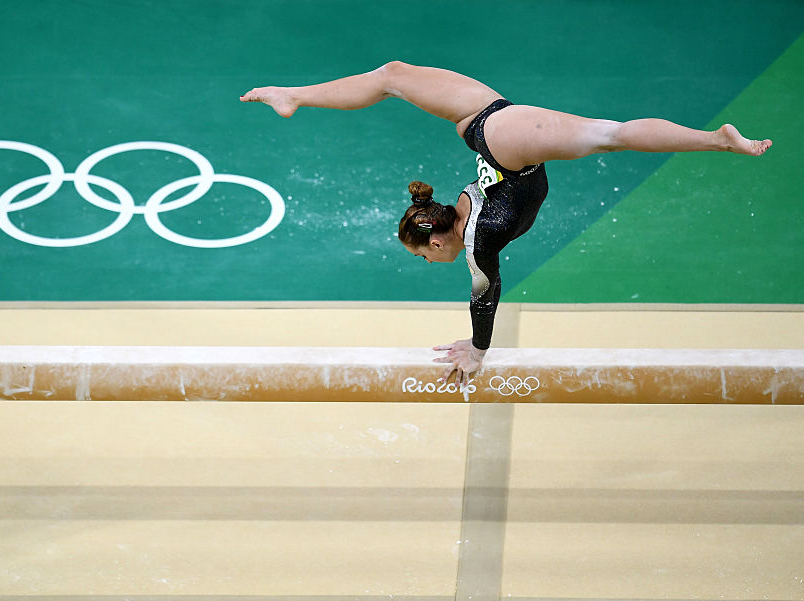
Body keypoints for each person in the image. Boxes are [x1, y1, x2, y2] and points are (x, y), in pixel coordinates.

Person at [240, 61, 772, 385]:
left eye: (423, 255)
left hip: (505, 142)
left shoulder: (478, 239)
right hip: (484, 125)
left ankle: (715, 140)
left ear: (437, 239)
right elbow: (482, 280)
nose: (429, 263)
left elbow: (485, 293)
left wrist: (478, 349)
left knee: (611, 134)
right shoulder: (461, 211)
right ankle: (294, 96)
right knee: (393, 75)